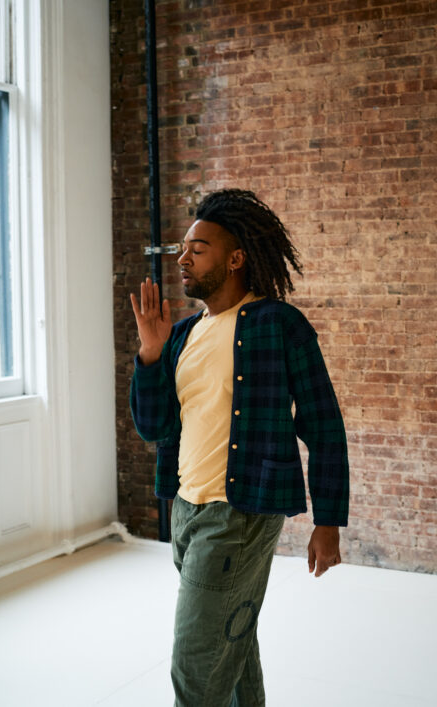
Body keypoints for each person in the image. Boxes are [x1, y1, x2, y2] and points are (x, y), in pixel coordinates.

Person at [129, 188, 349, 707]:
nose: (182, 258)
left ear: (235, 258)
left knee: (196, 668)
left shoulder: (278, 326)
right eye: (182, 248)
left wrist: (328, 521)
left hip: (240, 516)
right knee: (232, 641)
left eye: (197, 248)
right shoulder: (181, 335)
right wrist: (150, 353)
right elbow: (153, 426)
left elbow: (323, 424)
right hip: (187, 508)